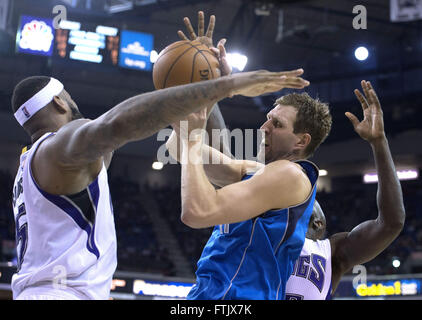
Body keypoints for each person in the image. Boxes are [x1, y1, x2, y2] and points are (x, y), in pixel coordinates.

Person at [10, 49, 308, 299]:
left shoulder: (34, 167)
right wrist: (224, 86)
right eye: (68, 95)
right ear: (59, 101)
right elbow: (116, 125)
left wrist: (200, 83)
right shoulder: (59, 147)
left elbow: (116, 139)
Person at [166, 12, 332, 300]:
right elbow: (174, 147)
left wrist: (194, 138)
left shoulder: (292, 175)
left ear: (301, 141)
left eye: (277, 125)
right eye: (268, 118)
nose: (264, 127)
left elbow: (196, 213)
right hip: (209, 295)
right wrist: (206, 85)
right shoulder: (253, 170)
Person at [284, 80, 405, 299]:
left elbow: (391, 223)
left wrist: (379, 142)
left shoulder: (331, 253)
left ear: (318, 224)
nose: (293, 202)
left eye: (304, 202)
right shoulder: (265, 235)